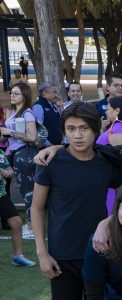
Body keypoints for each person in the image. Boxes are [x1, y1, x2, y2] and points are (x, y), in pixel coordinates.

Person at [30, 102, 122, 300]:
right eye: (70, 129)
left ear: (97, 131)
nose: (77, 135)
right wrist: (42, 253)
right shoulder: (52, 163)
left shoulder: (108, 161)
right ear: (64, 131)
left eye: (84, 128)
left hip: (99, 256)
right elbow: (36, 208)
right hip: (61, 258)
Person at [1, 82, 40, 238]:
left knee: (28, 191)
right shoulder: (12, 113)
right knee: (26, 190)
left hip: (26, 154)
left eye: (16, 93)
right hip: (16, 154)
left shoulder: (27, 113)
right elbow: (7, 138)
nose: (12, 95)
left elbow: (32, 137)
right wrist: (4, 136)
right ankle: (30, 225)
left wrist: (9, 132)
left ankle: (31, 228)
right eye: (11, 93)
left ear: (25, 96)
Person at [0, 148, 35, 266]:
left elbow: (10, 171)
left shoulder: (1, 153)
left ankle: (18, 256)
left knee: (16, 222)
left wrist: (7, 173)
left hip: (1, 195)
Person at [32, 82, 64, 146]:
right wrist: (47, 143)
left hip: (58, 145)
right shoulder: (38, 106)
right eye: (54, 92)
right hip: (47, 148)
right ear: (44, 93)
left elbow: (60, 123)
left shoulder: (53, 105)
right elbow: (38, 129)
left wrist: (60, 108)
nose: (56, 95)